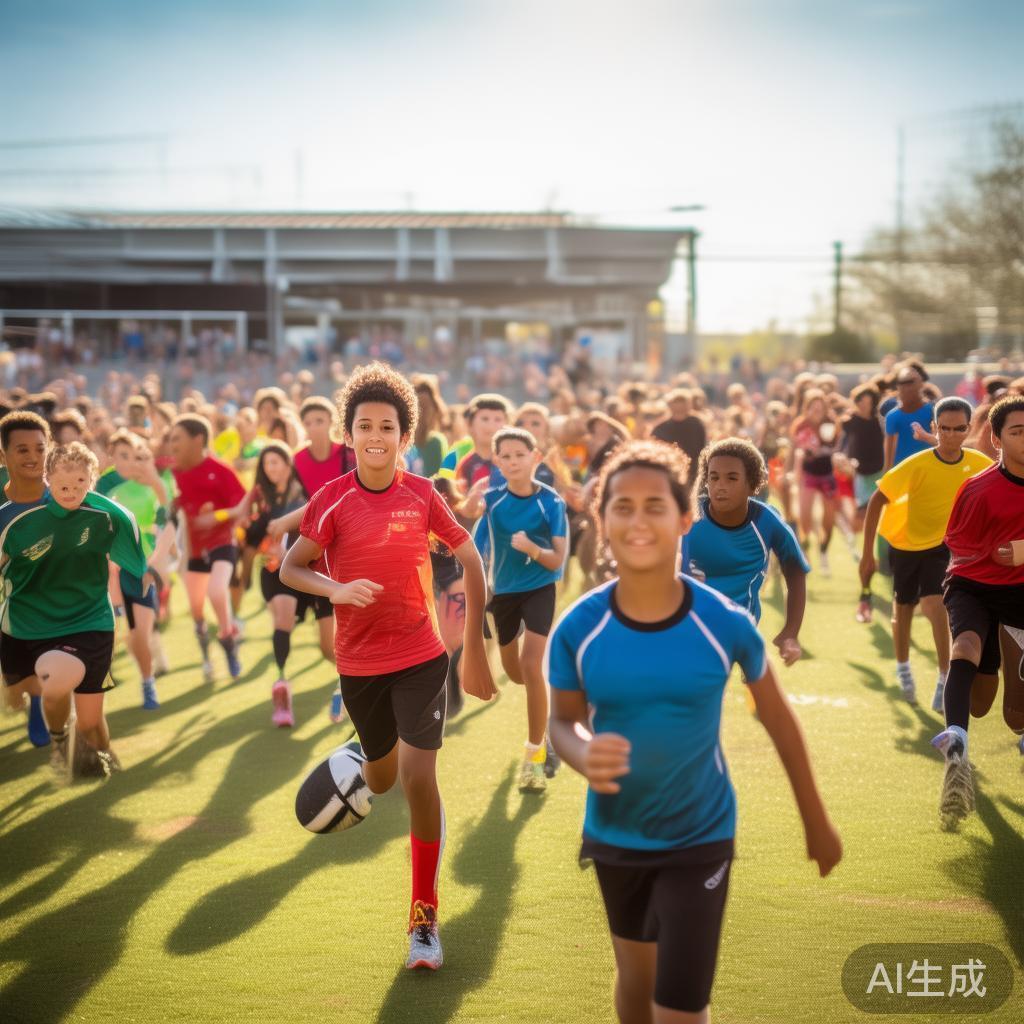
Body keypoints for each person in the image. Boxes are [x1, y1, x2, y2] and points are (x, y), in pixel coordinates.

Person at [547, 440, 842, 1024]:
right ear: (601, 521)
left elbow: (779, 722)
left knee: (679, 1007)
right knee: (635, 979)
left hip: (701, 834)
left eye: (655, 506)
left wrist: (816, 820)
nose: (638, 520)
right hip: (615, 834)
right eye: (621, 506)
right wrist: (582, 750)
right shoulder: (578, 626)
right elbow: (561, 719)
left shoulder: (724, 623)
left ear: (686, 517)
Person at [281, 362, 496, 971]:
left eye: (388, 426)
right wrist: (335, 589)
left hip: (422, 657)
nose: (375, 435)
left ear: (405, 436)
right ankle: (361, 753)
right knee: (380, 781)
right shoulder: (331, 499)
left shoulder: (423, 494)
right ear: (349, 435)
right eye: (364, 425)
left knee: (418, 780)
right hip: (359, 664)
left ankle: (423, 921)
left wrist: (474, 647)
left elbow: (471, 560)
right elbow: (289, 568)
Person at [0, 442, 150, 779]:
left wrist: (145, 572)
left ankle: (103, 751)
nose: (71, 492)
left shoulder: (108, 516)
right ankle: (59, 739)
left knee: (92, 722)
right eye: (63, 486)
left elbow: (135, 555)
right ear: (48, 480)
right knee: (53, 687)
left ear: (92, 479)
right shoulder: (16, 518)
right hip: (37, 625)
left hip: (91, 620)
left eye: (80, 484)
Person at [859, 397, 992, 709]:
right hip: (906, 543)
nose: (951, 435)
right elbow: (878, 500)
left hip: (944, 546)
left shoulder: (979, 465)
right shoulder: (916, 464)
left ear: (968, 429)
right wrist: (868, 554)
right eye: (944, 429)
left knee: (935, 602)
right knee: (902, 608)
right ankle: (903, 668)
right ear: (935, 428)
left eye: (959, 429)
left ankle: (945, 677)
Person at [931, 394, 1024, 827]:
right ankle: (957, 751)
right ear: (997, 438)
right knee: (966, 647)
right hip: (974, 586)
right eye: (1018, 432)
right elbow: (958, 546)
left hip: (1020, 591)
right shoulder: (979, 488)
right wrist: (993, 551)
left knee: (1008, 713)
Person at [473, 426, 568, 792]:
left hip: (540, 588)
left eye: (520, 455)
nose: (513, 462)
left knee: (531, 666)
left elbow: (558, 560)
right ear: (497, 461)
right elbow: (475, 548)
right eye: (506, 456)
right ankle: (542, 723)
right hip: (505, 594)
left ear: (535, 458)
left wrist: (532, 549)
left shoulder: (551, 502)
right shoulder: (493, 501)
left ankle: (534, 756)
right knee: (515, 673)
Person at [688, 438, 808, 666]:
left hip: (739, 627)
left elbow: (795, 572)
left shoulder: (766, 522)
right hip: (687, 622)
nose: (720, 485)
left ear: (752, 484)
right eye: (713, 477)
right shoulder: (689, 518)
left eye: (731, 478)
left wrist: (790, 632)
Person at [246, 442, 335, 727]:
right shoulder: (261, 499)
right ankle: (281, 687)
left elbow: (322, 516)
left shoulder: (306, 490)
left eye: (276, 462)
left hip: (313, 571)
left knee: (327, 648)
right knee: (283, 617)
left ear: (288, 464)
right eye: (267, 464)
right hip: (278, 574)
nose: (272, 468)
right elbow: (251, 538)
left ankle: (353, 683)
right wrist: (262, 550)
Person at [169, 414, 246, 682]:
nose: (172, 443)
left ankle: (229, 641)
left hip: (222, 542)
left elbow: (243, 506)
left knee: (217, 591)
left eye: (177, 438)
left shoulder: (221, 470)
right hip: (193, 551)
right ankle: (206, 659)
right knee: (197, 611)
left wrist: (218, 517)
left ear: (197, 439)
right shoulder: (172, 472)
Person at [105, 430, 171, 708]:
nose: (128, 462)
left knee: (140, 634)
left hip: (144, 568)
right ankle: (147, 677)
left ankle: (148, 682)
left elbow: (169, 516)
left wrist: (156, 482)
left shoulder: (154, 485)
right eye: (121, 456)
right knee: (132, 635)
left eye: (132, 455)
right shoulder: (107, 489)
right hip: (115, 573)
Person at [0, 410, 53, 748]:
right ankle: (30, 696)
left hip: (60, 601)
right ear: (3, 454)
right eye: (22, 450)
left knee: (49, 667)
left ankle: (41, 704)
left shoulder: (65, 495)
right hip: (11, 603)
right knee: (13, 692)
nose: (34, 457)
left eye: (40, 448)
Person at [790, 389, 839, 574]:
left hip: (827, 474)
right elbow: (797, 449)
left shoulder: (831, 423)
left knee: (828, 519)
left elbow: (837, 447)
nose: (817, 410)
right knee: (804, 518)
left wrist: (829, 453)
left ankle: (824, 550)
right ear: (807, 408)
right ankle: (806, 549)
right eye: (813, 407)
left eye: (820, 407)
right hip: (808, 475)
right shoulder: (801, 425)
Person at [883, 361, 934, 472]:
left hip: (928, 469)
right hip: (902, 471)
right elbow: (888, 448)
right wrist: (886, 475)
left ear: (920, 383)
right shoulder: (892, 416)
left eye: (911, 382)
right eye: (902, 383)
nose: (907, 387)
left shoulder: (933, 411)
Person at [652, 388, 707, 485]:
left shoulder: (697, 424)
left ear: (688, 405)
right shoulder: (660, 428)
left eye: (682, 403)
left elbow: (702, 448)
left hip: (693, 473)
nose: (679, 407)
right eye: (676, 402)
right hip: (668, 474)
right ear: (670, 405)